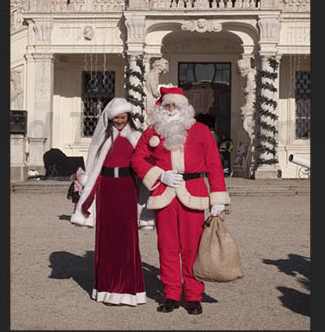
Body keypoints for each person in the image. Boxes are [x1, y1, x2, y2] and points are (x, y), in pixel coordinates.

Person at [131, 87, 231, 315]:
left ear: (184, 108)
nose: (170, 109)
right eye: (167, 106)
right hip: (165, 192)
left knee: (192, 248)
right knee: (167, 247)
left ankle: (194, 295)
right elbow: (137, 158)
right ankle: (171, 293)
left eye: (174, 105)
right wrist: (158, 174)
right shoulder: (152, 132)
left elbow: (214, 164)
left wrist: (217, 198)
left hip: (193, 193)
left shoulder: (202, 131)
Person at [70, 97, 150, 306]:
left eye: (123, 117)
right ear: (111, 118)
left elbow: (144, 166)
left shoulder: (136, 137)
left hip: (127, 189)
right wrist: (86, 195)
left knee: (127, 240)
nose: (120, 121)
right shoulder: (102, 139)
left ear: (129, 117)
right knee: (106, 240)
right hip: (106, 190)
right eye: (116, 118)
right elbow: (94, 169)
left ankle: (129, 290)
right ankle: (106, 289)